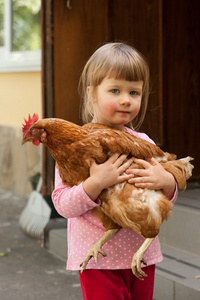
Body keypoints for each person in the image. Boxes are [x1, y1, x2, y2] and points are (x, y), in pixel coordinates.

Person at [52, 42, 177, 300]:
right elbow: (62, 205)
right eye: (115, 90)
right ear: (92, 94)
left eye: (134, 92)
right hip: (98, 259)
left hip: (140, 257)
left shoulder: (144, 142)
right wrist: (95, 183)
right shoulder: (75, 148)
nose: (125, 100)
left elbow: (163, 201)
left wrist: (166, 181)